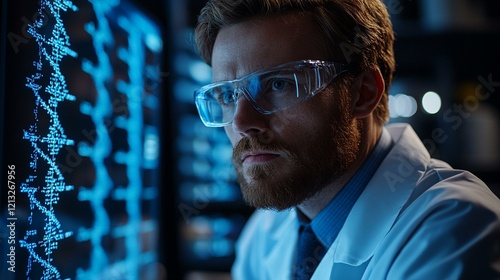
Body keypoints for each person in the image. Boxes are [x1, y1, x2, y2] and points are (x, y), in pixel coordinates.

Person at [192, 0, 500, 279]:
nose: (242, 122)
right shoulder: (265, 233)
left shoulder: (452, 230)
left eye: (279, 84)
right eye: (229, 95)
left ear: (363, 94)